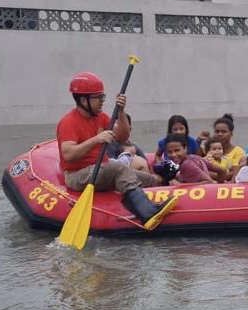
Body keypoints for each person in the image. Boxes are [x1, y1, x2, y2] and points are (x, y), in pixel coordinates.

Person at [57, 71, 172, 230]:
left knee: (149, 179)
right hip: (78, 174)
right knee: (118, 167)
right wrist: (96, 140)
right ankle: (147, 213)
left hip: (102, 170)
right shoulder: (68, 122)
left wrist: (121, 111)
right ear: (83, 100)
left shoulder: (100, 117)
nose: (102, 101)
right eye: (98, 98)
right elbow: (68, 155)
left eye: (102, 97)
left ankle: (153, 204)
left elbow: (123, 135)